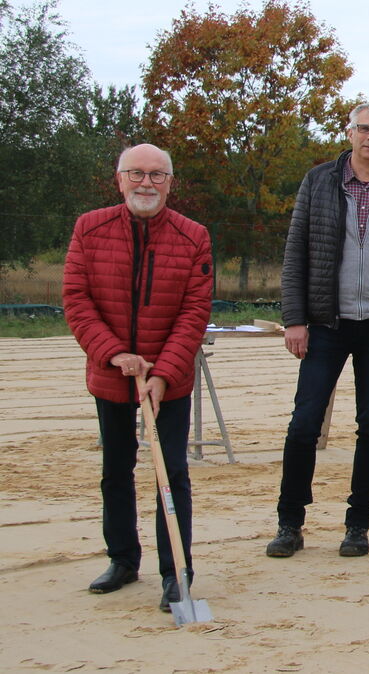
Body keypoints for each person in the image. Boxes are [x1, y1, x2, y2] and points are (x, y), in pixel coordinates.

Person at [265, 102, 369, 558]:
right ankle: (290, 522)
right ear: (350, 132)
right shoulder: (319, 181)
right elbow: (296, 252)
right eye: (364, 129)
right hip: (324, 325)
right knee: (303, 425)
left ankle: (358, 524)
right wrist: (294, 318)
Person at [63, 143, 213, 612]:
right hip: (113, 375)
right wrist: (114, 355)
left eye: (157, 176)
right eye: (136, 174)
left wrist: (164, 373)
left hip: (169, 380)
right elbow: (76, 299)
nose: (146, 183)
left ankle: (176, 573)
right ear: (120, 179)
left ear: (170, 183)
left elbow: (194, 311)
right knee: (116, 469)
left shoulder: (194, 237)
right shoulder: (90, 228)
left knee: (171, 472)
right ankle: (123, 559)